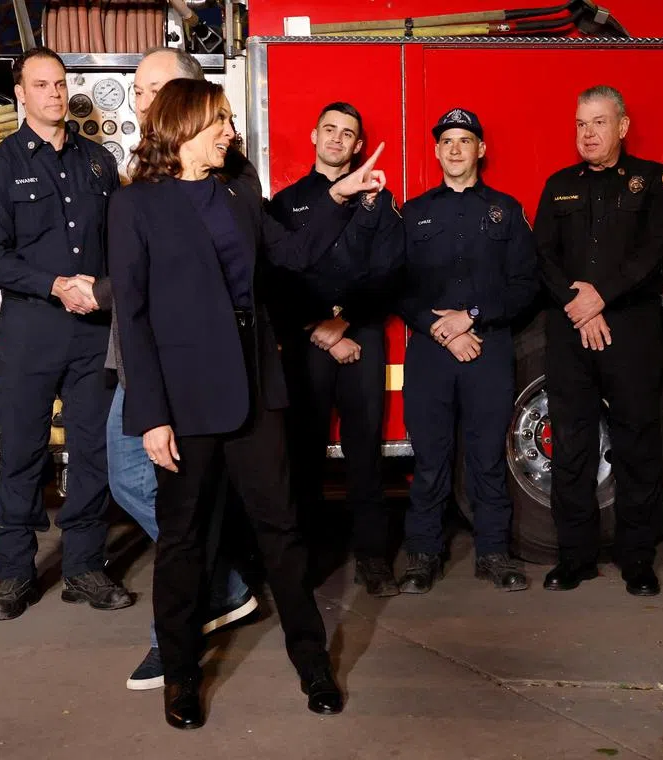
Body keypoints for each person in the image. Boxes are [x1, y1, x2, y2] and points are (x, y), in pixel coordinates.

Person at [108, 78, 386, 729]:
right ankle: (182, 676)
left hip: (256, 391)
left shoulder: (237, 192)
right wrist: (150, 414)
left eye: (230, 120)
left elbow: (290, 255)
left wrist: (340, 200)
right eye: (221, 122)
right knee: (181, 542)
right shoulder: (133, 207)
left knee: (283, 533)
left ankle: (313, 663)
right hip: (183, 401)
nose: (232, 132)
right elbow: (134, 317)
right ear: (183, 127)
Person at [78, 47, 258, 692]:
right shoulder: (141, 179)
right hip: (138, 360)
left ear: (188, 99)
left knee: (173, 500)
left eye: (154, 88)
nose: (141, 99)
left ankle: (174, 635)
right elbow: (140, 274)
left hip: (188, 372)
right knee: (136, 483)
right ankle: (223, 587)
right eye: (138, 88)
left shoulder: (226, 179)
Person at [0, 46, 131, 621]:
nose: (55, 94)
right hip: (30, 331)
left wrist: (106, 291)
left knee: (93, 451)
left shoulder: (98, 164)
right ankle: (14, 575)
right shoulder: (0, 165)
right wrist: (53, 283)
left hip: (93, 334)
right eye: (41, 85)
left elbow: (120, 244)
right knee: (21, 453)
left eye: (60, 84)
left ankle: (84, 567)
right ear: (21, 93)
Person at [534, 85, 663, 597]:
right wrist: (580, 301)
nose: (587, 133)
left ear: (622, 126)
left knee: (638, 445)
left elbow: (655, 252)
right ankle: (575, 558)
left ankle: (637, 559)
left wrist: (602, 297)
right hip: (571, 331)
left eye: (598, 122)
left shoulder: (654, 181)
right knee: (571, 444)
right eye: (580, 124)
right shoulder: (558, 185)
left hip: (632, 332)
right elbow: (543, 255)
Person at [396, 108, 538, 595]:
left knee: (487, 456)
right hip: (432, 352)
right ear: (436, 151)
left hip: (488, 347)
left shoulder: (506, 209)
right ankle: (422, 554)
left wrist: (470, 317)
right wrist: (442, 330)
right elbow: (398, 285)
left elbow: (525, 285)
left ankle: (494, 553)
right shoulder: (413, 212)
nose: (455, 149)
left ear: (481, 150)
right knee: (431, 458)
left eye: (465, 140)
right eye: (447, 141)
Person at [267, 102, 405, 597]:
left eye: (348, 133)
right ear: (313, 136)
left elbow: (391, 272)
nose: (337, 139)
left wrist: (342, 323)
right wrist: (316, 326)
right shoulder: (284, 204)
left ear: (358, 145)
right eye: (329, 129)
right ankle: (307, 557)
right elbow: (276, 276)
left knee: (365, 451)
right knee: (302, 452)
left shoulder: (379, 201)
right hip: (307, 341)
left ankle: (372, 557)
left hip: (360, 336)